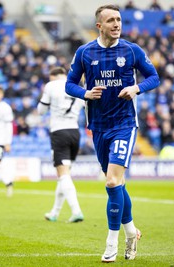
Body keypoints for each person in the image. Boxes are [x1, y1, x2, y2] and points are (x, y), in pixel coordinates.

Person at [65, 4, 160, 262]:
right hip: (98, 126)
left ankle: (111, 243)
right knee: (117, 184)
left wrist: (136, 89)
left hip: (124, 124)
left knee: (111, 182)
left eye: (118, 19)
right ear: (99, 25)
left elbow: (154, 77)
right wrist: (85, 93)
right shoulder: (85, 53)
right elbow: (69, 84)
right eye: (111, 20)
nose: (117, 24)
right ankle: (132, 233)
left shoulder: (131, 50)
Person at [37, 67, 84, 223]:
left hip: (59, 132)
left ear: (53, 76)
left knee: (63, 175)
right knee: (64, 176)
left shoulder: (51, 86)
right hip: (75, 133)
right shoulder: (78, 86)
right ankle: (54, 212)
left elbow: (41, 110)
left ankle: (76, 211)